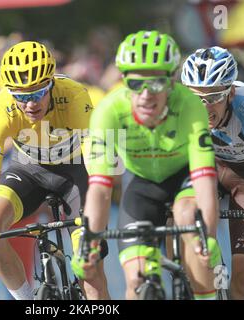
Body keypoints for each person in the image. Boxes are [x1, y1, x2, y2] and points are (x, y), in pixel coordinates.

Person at [71, 30, 221, 300]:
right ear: (123, 80)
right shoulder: (109, 111)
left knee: (190, 222)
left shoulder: (189, 105)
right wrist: (89, 242)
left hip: (185, 179)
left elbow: (204, 181)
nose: (145, 95)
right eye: (135, 83)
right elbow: (101, 189)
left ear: (172, 81)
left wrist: (207, 234)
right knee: (137, 282)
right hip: (141, 186)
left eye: (156, 83)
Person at [0, 41, 110, 300]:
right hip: (28, 171)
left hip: (75, 173)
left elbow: (95, 163)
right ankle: (27, 300)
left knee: (89, 268)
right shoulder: (0, 109)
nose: (30, 104)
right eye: (21, 96)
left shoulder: (74, 95)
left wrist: (95, 223)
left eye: (38, 93)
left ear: (52, 85)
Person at [181, 46, 244, 299]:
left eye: (213, 96)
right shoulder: (178, 107)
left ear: (231, 92)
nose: (204, 107)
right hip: (206, 169)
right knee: (188, 229)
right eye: (196, 98)